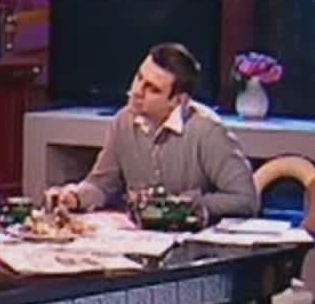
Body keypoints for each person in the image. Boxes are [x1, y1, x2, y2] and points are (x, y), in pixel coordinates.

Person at [45, 43, 258, 220]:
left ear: (178, 101)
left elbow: (245, 199)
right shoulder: (123, 121)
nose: (137, 92)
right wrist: (75, 196)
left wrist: (184, 205)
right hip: (140, 240)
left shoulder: (208, 131)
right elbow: (102, 184)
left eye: (152, 89)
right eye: (139, 78)